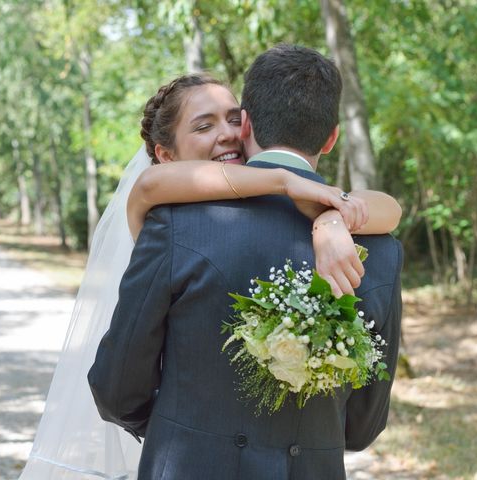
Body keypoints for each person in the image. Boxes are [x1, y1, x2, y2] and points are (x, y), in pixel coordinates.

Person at [88, 44, 403, 480]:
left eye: (232, 119)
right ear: (332, 138)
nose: (226, 134)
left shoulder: (175, 227)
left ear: (247, 123)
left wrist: (183, 426)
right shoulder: (380, 248)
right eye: (205, 124)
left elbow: (116, 390)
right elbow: (363, 425)